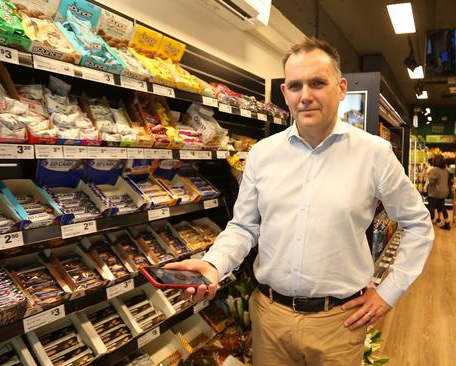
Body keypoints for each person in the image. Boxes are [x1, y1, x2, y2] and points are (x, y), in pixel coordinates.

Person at [164, 38, 434, 366]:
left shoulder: (374, 153)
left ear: (341, 88)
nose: (305, 96)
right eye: (295, 85)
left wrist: (390, 292)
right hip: (269, 318)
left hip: (339, 323)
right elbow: (244, 226)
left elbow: (418, 224)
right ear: (285, 94)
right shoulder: (263, 153)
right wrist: (214, 264)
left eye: (318, 83)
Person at [426, 154, 451, 230]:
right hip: (444, 192)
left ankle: (431, 221)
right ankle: (447, 222)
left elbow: (431, 180)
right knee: (442, 206)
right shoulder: (446, 170)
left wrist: (428, 173)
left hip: (435, 192)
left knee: (431, 206)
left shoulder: (435, 170)